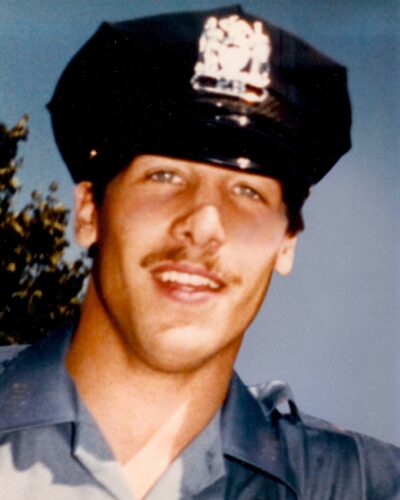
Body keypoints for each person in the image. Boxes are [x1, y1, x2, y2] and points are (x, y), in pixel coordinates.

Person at [0, 5, 399, 499]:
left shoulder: (358, 485)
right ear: (88, 211)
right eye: (165, 176)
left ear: (287, 242)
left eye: (248, 192)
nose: (205, 224)